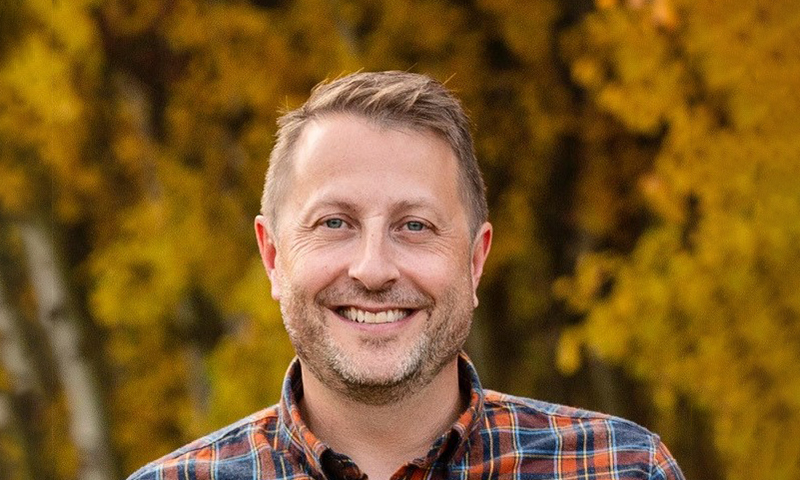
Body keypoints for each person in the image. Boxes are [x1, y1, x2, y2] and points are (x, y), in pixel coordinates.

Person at [127, 71, 685, 480]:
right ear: (273, 256)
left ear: (474, 259)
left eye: (415, 225)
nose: (373, 269)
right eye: (335, 222)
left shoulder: (621, 468)